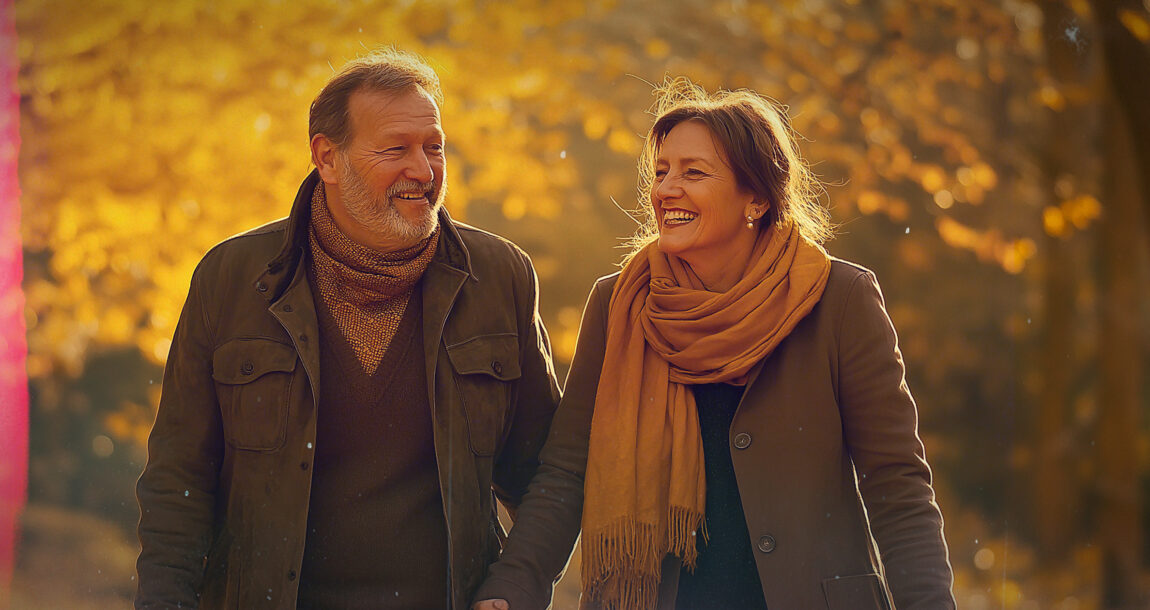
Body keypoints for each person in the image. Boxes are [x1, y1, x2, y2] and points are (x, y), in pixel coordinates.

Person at [473, 78, 955, 610]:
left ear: (757, 198)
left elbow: (897, 485)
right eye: (661, 172)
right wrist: (511, 588)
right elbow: (566, 471)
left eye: (693, 173)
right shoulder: (618, 304)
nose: (665, 189)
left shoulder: (840, 299)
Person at [134, 48, 561, 610]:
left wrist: (515, 587)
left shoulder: (501, 276)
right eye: (395, 150)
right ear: (327, 158)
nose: (424, 170)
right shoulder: (231, 277)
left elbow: (550, 471)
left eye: (434, 148)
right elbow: (178, 478)